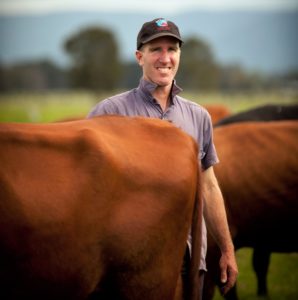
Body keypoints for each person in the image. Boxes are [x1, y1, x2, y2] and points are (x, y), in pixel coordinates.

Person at [87, 17, 238, 298]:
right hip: (129, 262)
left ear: (180, 55)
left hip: (191, 257)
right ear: (139, 56)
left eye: (172, 49)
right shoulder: (108, 113)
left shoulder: (198, 117)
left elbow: (209, 186)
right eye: (156, 49)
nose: (165, 58)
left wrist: (227, 250)